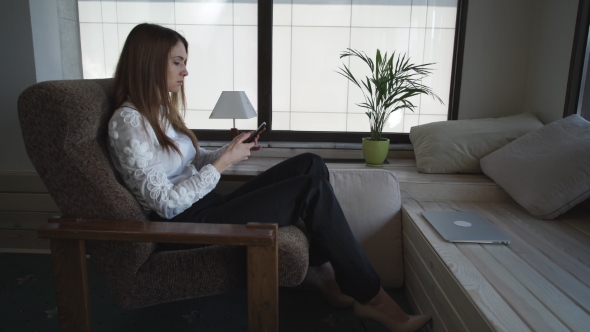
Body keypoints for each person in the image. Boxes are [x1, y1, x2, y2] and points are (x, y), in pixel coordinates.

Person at [107, 23, 431, 332]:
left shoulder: (159, 111)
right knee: (312, 190)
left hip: (207, 205)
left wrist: (227, 151)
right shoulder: (128, 123)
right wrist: (222, 165)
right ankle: (375, 299)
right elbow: (164, 205)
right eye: (177, 62)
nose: (186, 71)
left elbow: (190, 161)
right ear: (149, 63)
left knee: (310, 163)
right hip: (186, 224)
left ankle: (325, 274)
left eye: (185, 62)